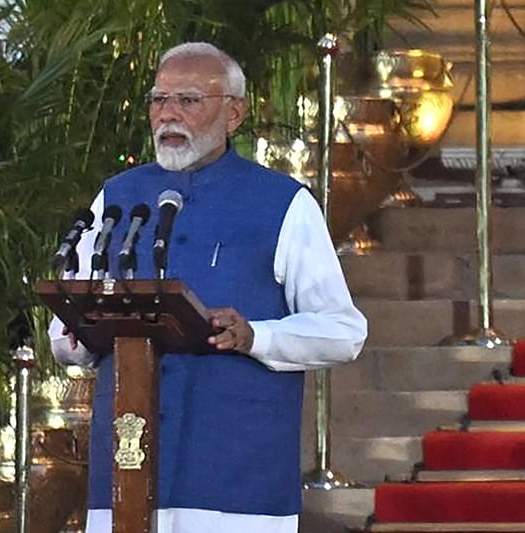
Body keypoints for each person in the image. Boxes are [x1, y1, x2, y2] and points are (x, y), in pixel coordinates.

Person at [49, 41, 367, 533]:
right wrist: (75, 339)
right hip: (127, 468)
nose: (168, 114)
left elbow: (344, 331)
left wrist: (256, 336)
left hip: (235, 476)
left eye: (189, 101)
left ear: (234, 113)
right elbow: (64, 324)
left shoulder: (282, 202)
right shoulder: (117, 197)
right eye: (159, 100)